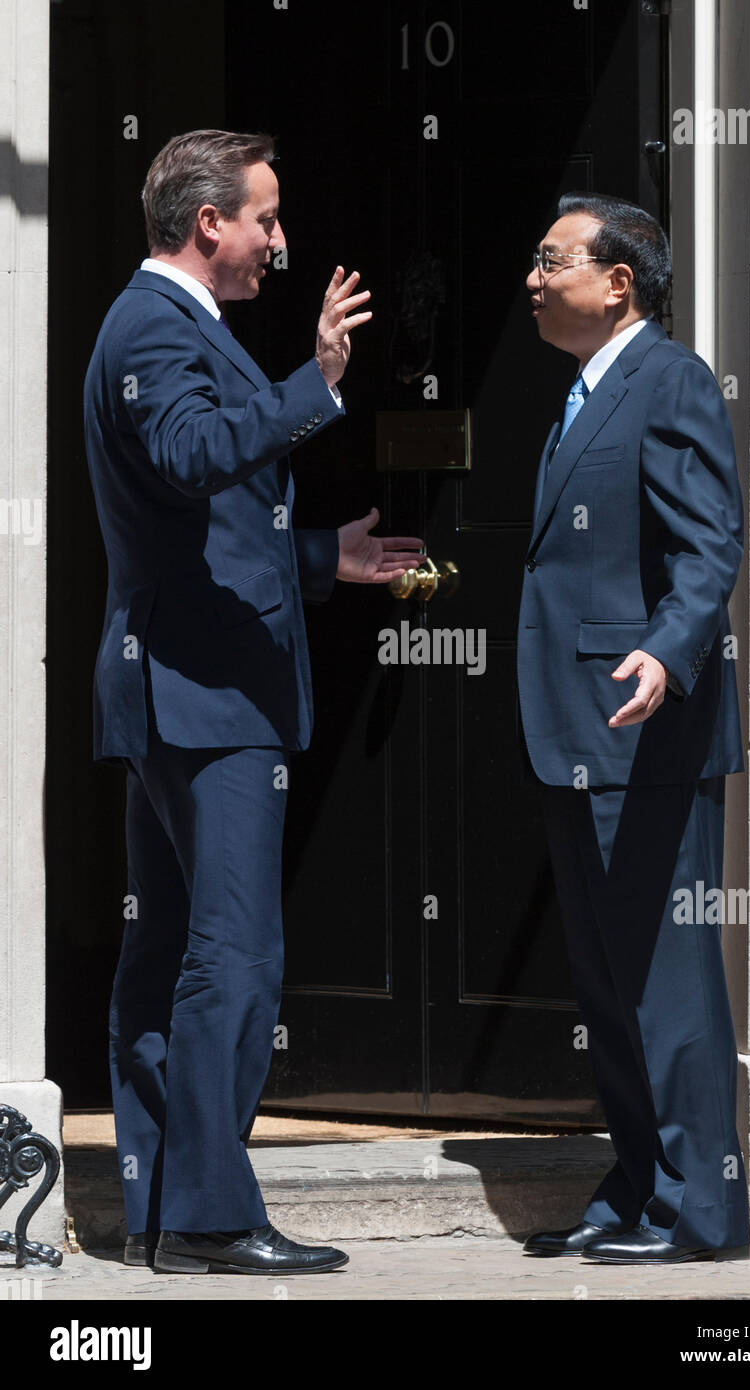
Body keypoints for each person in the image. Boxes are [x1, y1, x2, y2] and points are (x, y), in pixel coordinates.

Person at [83, 129, 424, 1275]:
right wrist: (315, 385)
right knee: (232, 957)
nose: (280, 242)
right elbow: (189, 457)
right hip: (205, 695)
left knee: (170, 950)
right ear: (206, 223)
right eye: (266, 219)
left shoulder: (181, 326)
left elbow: (213, 530)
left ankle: (163, 1205)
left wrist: (325, 557)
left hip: (191, 684)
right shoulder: (150, 328)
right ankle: (211, 1217)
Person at [517, 193, 750, 1264]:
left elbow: (709, 544)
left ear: (618, 281)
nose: (532, 276)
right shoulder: (579, 391)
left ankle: (700, 1211)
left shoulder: (671, 380)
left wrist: (668, 645)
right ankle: (636, 1185)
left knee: (666, 979)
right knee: (609, 986)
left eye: (551, 259)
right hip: (577, 727)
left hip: (644, 728)